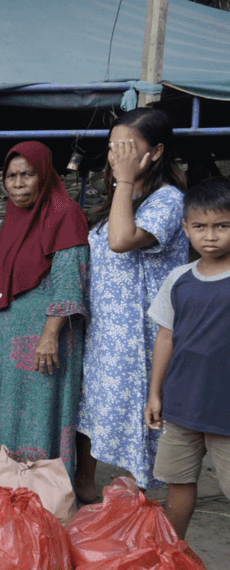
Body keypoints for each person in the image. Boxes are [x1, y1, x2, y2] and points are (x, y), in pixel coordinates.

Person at [77, 107, 189, 499]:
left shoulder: (169, 199)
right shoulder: (120, 199)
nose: (116, 156)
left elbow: (121, 241)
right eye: (112, 148)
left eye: (127, 148)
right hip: (105, 333)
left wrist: (122, 181)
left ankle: (140, 512)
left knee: (139, 424)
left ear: (155, 152)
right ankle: (87, 493)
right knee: (92, 417)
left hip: (142, 337)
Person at [0, 141, 90, 477]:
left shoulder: (64, 214)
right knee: (4, 409)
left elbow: (70, 283)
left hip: (41, 338)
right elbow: (0, 276)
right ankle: (5, 481)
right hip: (5, 338)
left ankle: (41, 486)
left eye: (28, 174)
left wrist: (50, 336)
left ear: (44, 175)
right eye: (11, 176)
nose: (19, 182)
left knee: (38, 410)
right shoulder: (15, 216)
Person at [145, 177, 230, 540]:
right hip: (182, 404)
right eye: (200, 226)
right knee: (178, 482)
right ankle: (171, 552)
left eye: (222, 226)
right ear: (186, 228)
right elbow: (166, 337)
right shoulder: (179, 279)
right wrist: (155, 393)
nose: (210, 236)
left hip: (225, 409)